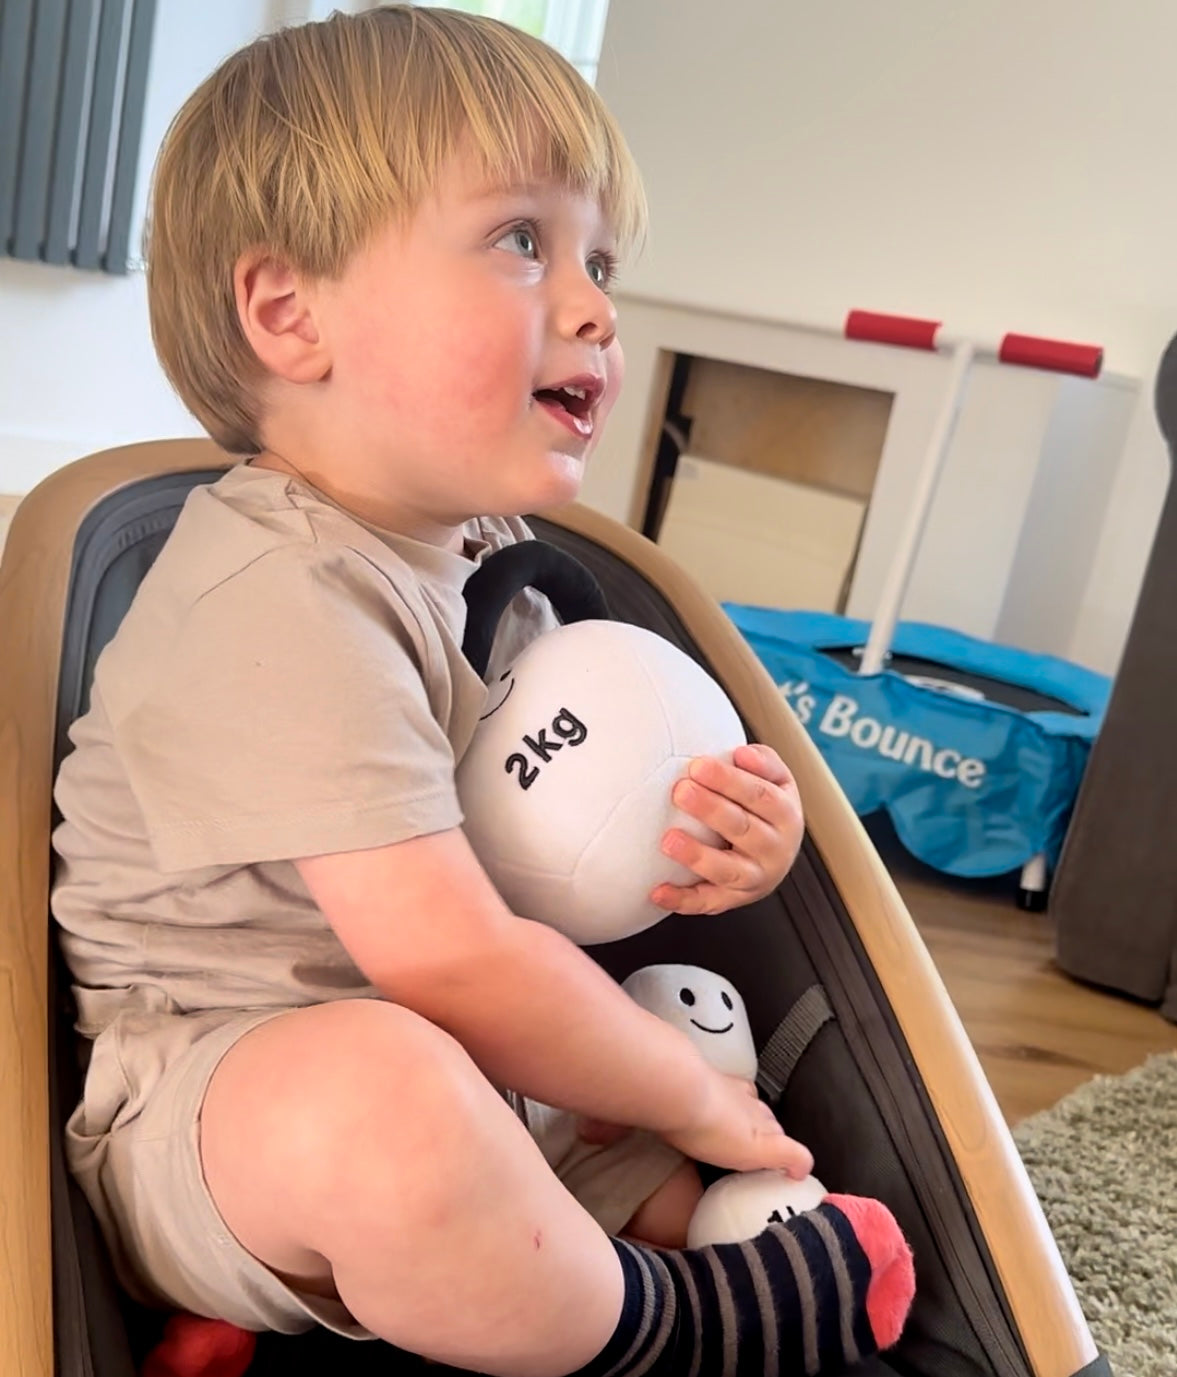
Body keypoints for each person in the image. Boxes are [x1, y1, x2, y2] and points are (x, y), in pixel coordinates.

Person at [51, 8, 914, 1376]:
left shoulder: (495, 566)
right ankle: (677, 1327)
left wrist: (711, 841)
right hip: (219, 1102)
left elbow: (540, 852)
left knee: (620, 1048)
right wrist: (693, 1097)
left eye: (599, 258)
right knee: (404, 1104)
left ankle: (681, 1255)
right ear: (291, 313)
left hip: (472, 1064)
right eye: (521, 241)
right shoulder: (277, 594)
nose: (592, 304)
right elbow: (443, 950)